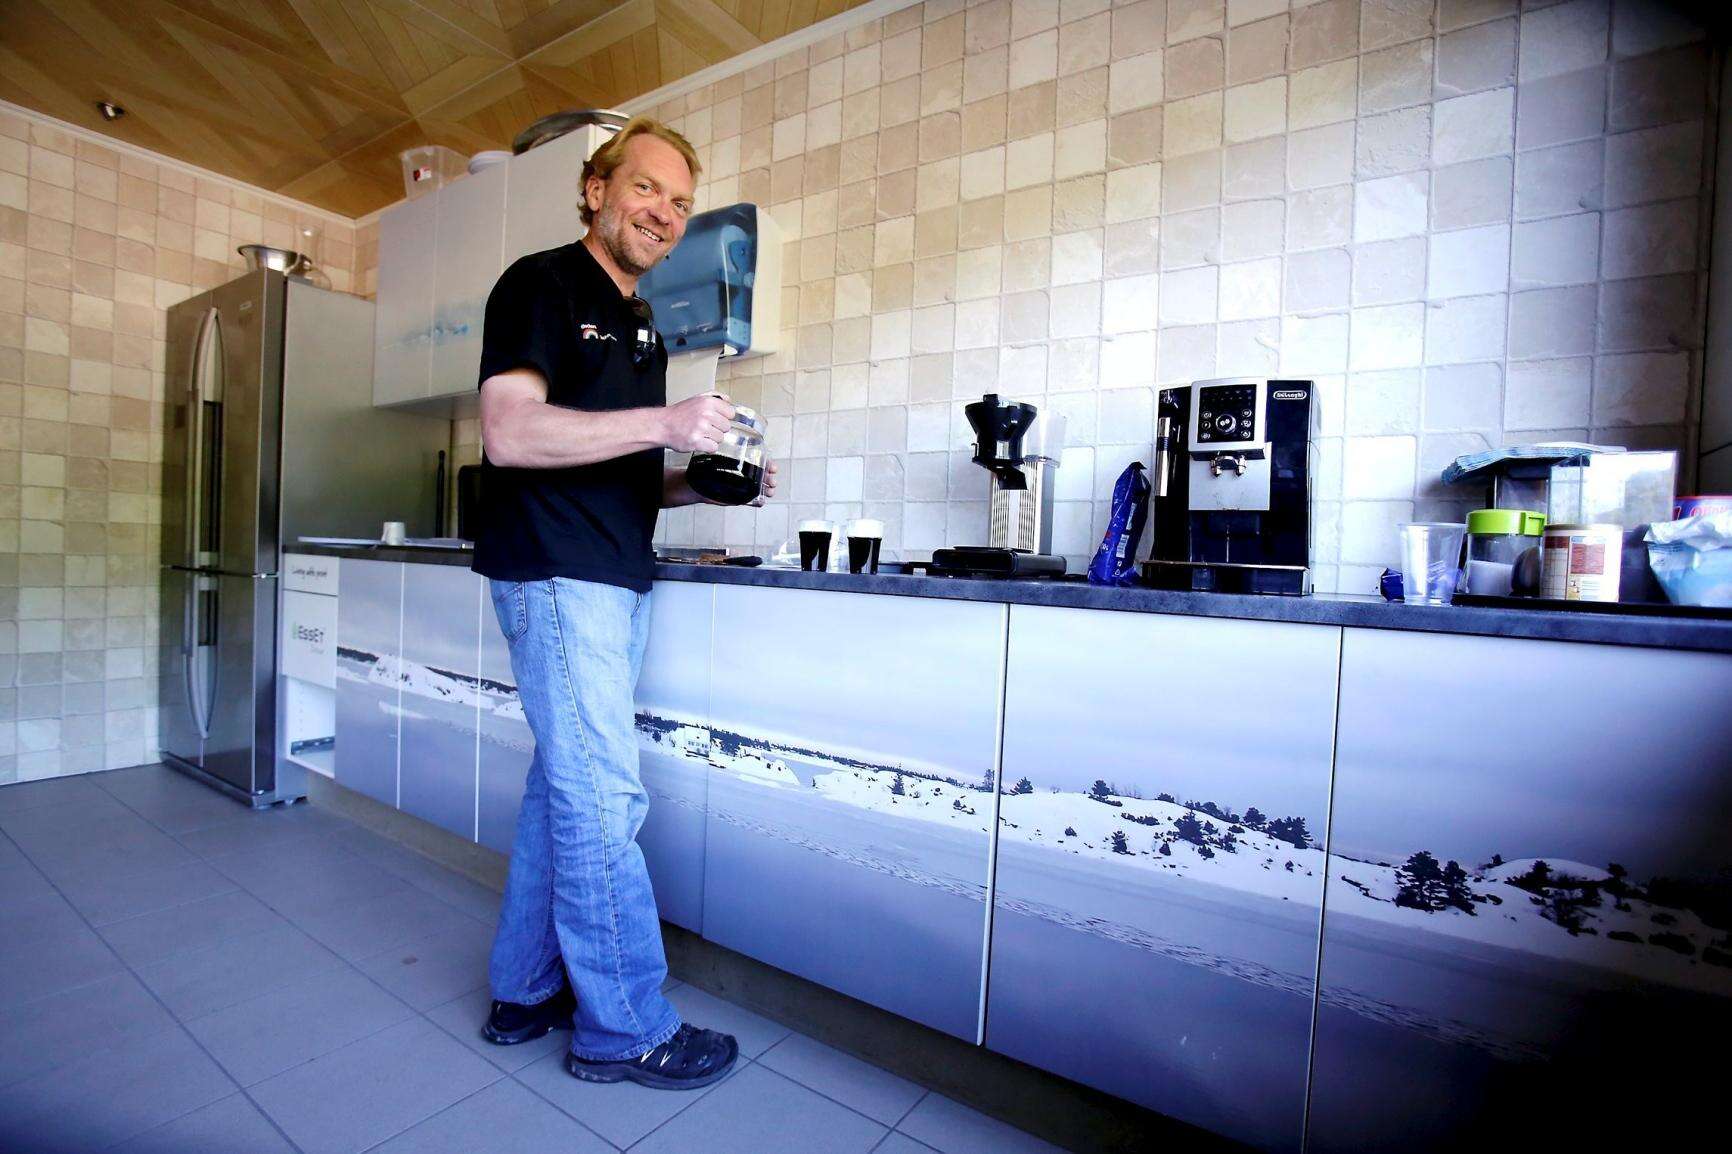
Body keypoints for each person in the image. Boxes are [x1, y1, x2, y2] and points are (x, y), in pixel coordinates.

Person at [469, 117, 774, 1090]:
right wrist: (667, 419)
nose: (665, 213)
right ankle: (625, 1026)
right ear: (597, 188)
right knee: (603, 792)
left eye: (680, 202)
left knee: (564, 789)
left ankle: (524, 987)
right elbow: (511, 433)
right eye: (646, 188)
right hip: (557, 572)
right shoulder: (542, 284)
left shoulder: (643, 324)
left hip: (610, 574)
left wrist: (707, 481)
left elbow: (626, 469)